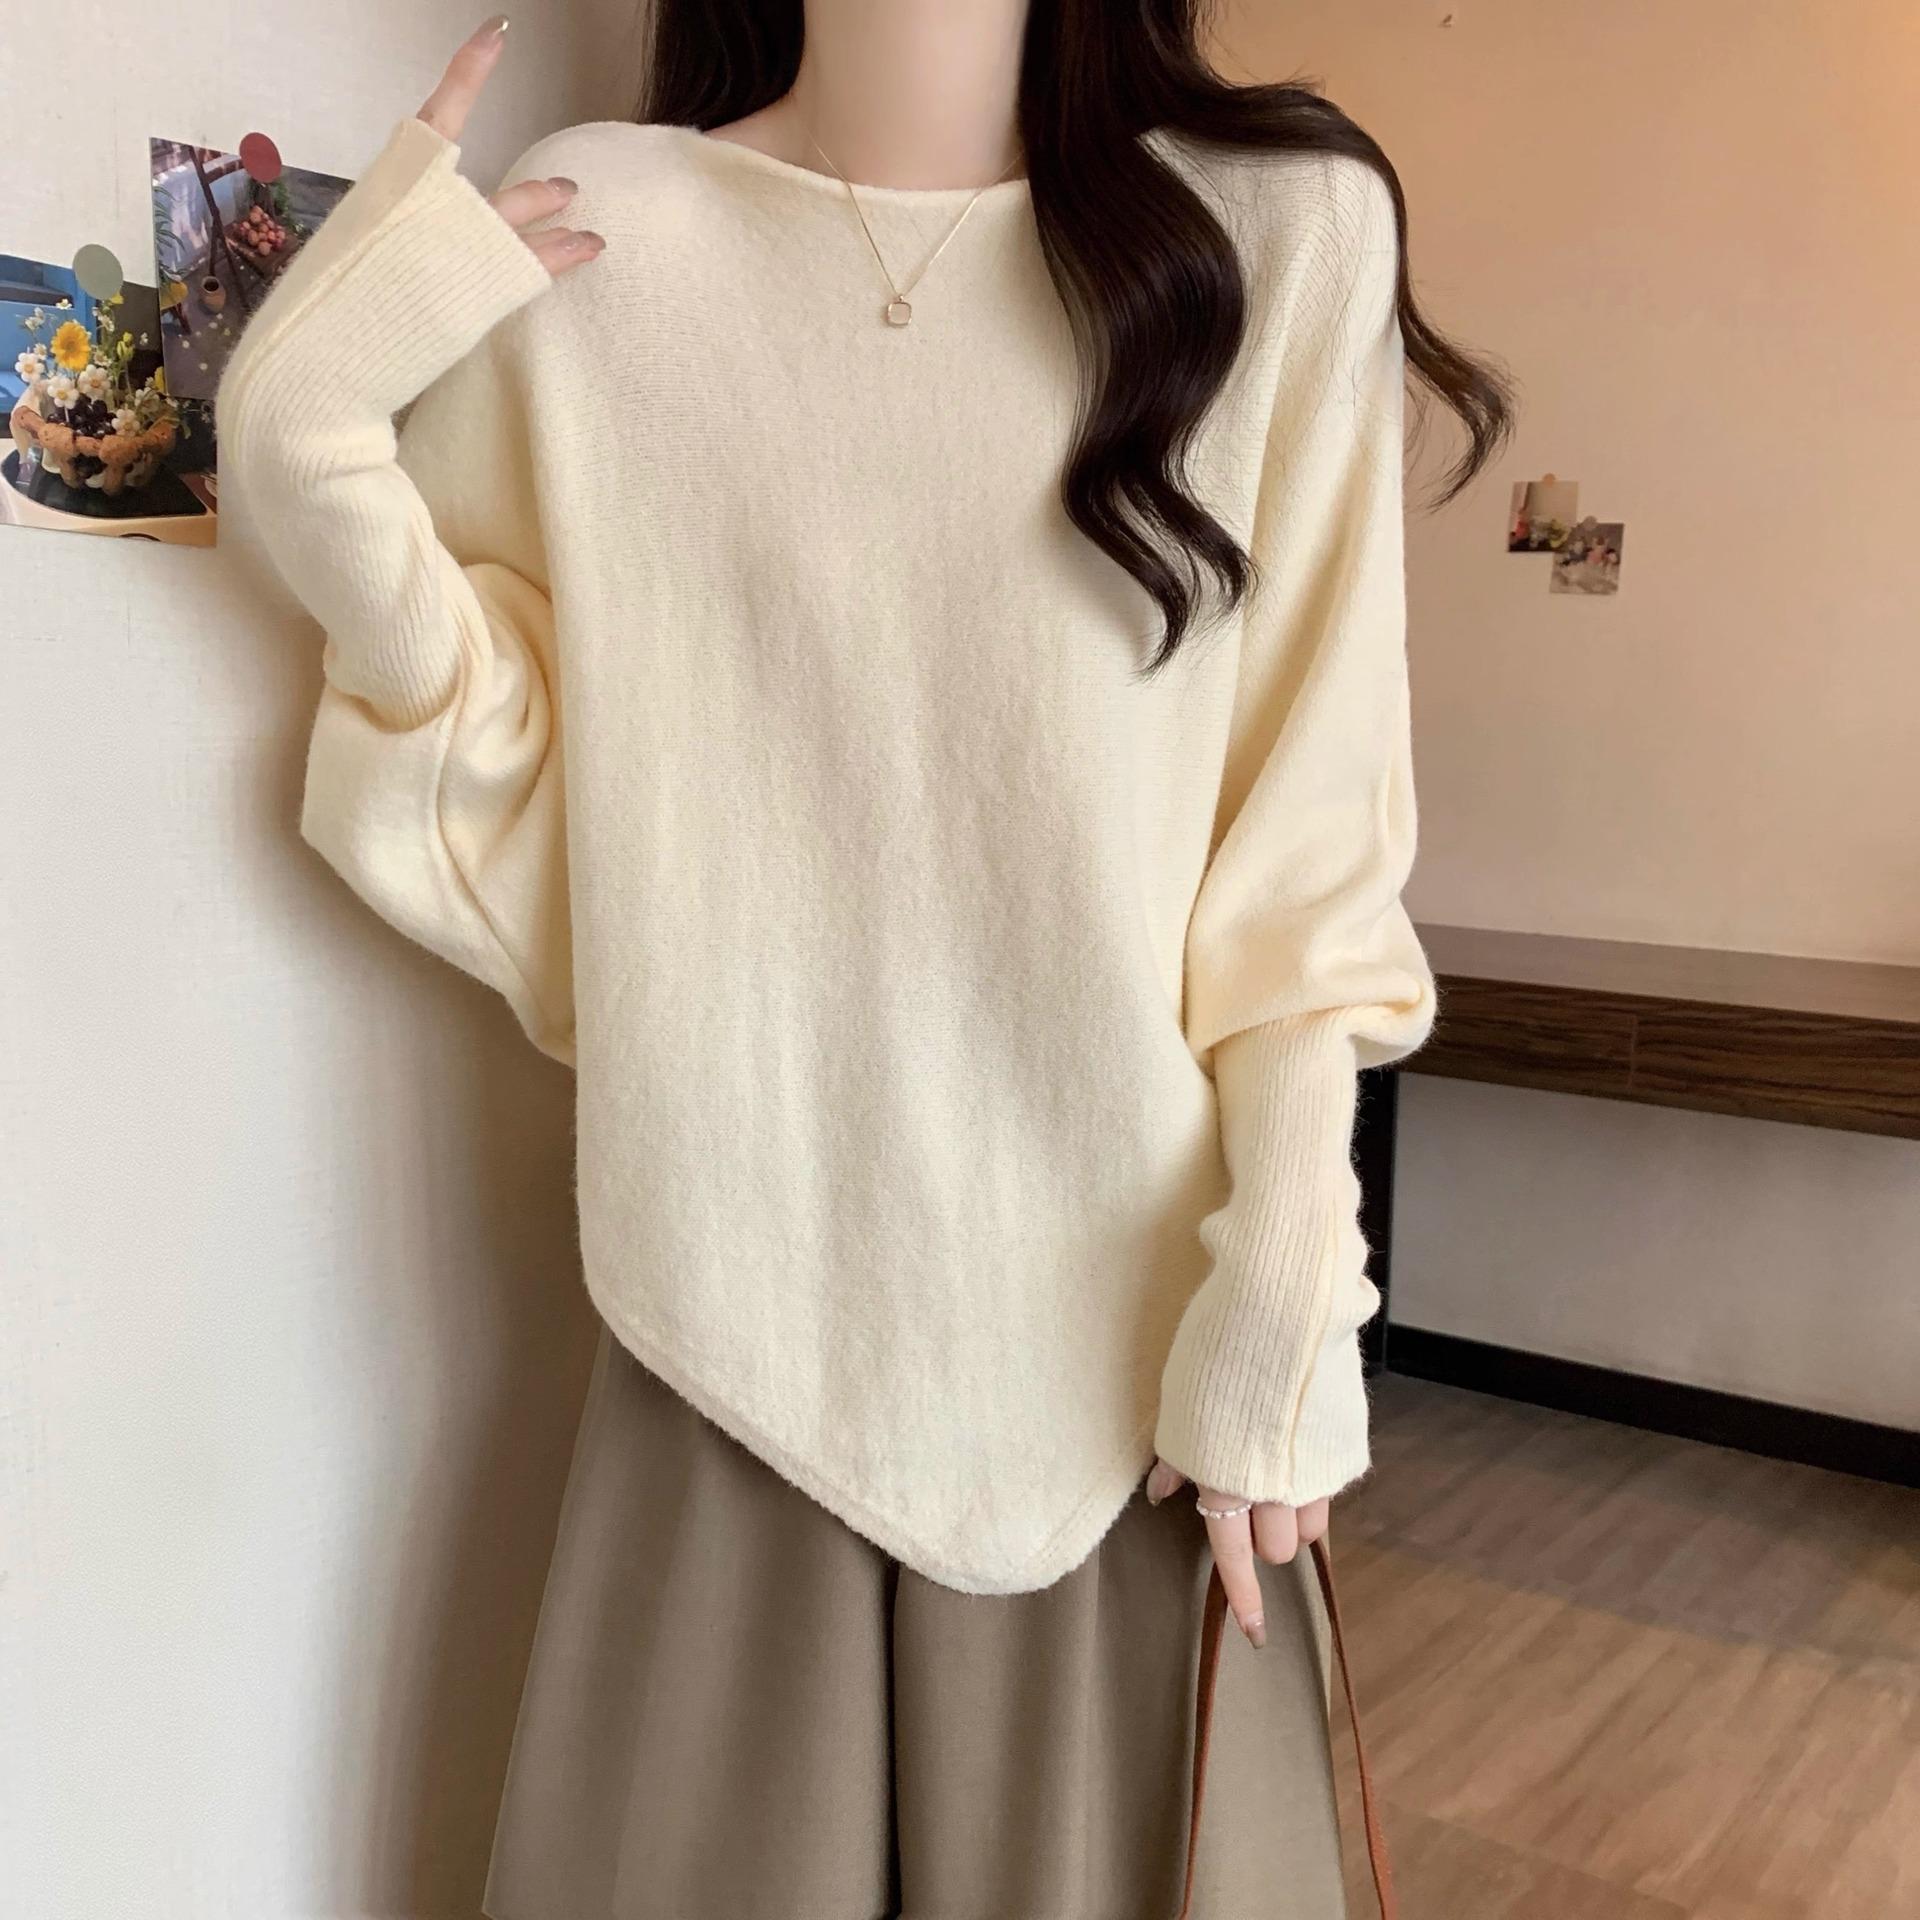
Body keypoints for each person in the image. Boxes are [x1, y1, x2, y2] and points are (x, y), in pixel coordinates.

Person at [218, 7, 1512, 1915]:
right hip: (723, 1328)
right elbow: (523, 797)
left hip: (1133, 1390)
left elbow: (1305, 851)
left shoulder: (1277, 226)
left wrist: (1289, 1293)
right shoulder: (611, 228)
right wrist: (299, 434)